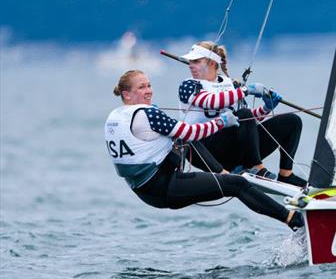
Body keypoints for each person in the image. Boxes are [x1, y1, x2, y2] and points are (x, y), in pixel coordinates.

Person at [105, 69, 303, 230]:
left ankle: (227, 174)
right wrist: (221, 121)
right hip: (164, 186)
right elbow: (191, 133)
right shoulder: (148, 114)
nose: (149, 91)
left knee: (190, 146)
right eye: (142, 87)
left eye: (149, 85)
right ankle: (294, 221)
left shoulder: (116, 116)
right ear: (126, 94)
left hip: (146, 190)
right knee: (237, 184)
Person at [177, 41, 306, 186]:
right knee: (243, 113)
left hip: (234, 150)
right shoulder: (188, 85)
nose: (190, 65)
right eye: (190, 61)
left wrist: (266, 108)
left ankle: (286, 174)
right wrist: (246, 90)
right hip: (205, 150)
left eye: (195, 61)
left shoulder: (231, 85)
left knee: (291, 121)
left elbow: (248, 122)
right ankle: (257, 167)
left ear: (212, 62)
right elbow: (211, 102)